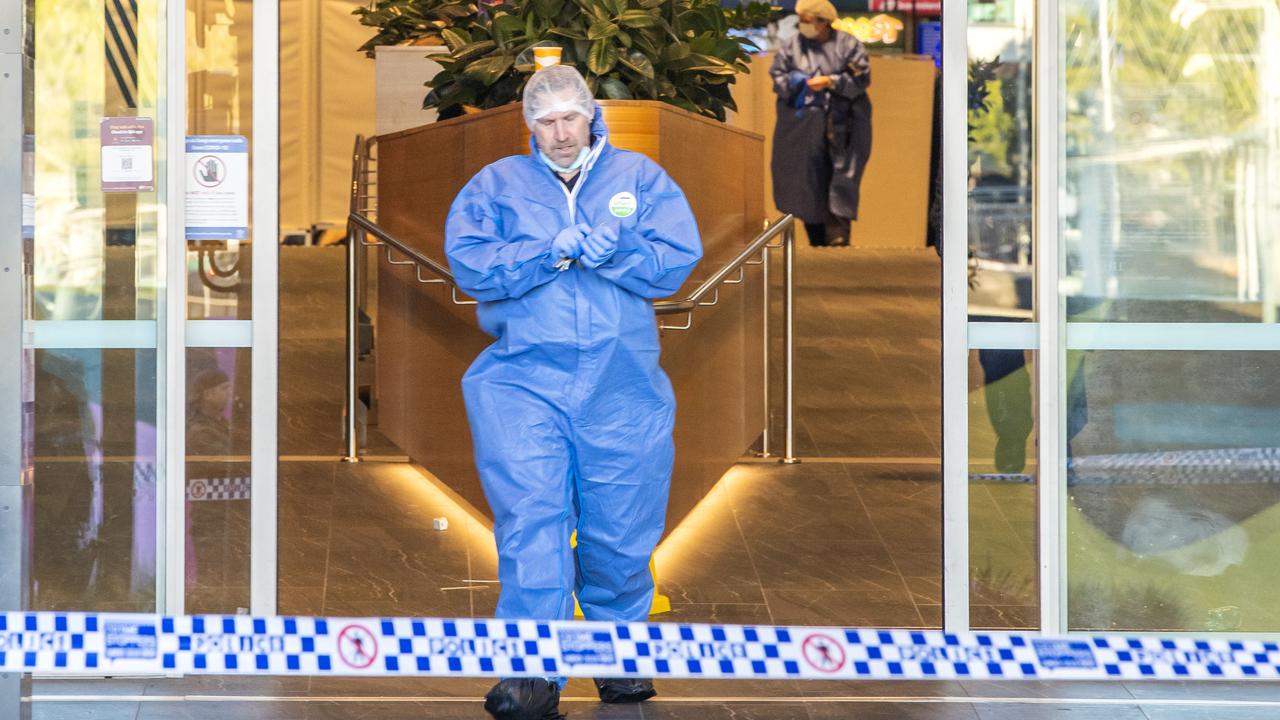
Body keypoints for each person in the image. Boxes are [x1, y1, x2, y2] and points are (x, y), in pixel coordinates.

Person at [444, 64, 703, 720]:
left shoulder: (640, 179)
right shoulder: (496, 185)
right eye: (547, 122)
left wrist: (617, 251)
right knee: (533, 521)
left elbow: (675, 261)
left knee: (621, 527)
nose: (561, 134)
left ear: (592, 115)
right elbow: (471, 263)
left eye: (571, 118)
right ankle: (531, 672)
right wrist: (546, 252)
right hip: (523, 382)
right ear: (529, 126)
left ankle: (617, 658)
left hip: (623, 388)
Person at [770, 0, 873, 247]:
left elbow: (861, 77)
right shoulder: (793, 46)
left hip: (842, 125)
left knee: (840, 179)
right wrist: (798, 81)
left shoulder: (848, 45)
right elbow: (778, 76)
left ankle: (838, 236)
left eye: (807, 20)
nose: (802, 25)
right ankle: (815, 237)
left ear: (823, 22)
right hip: (802, 127)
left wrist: (832, 81)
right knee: (805, 181)